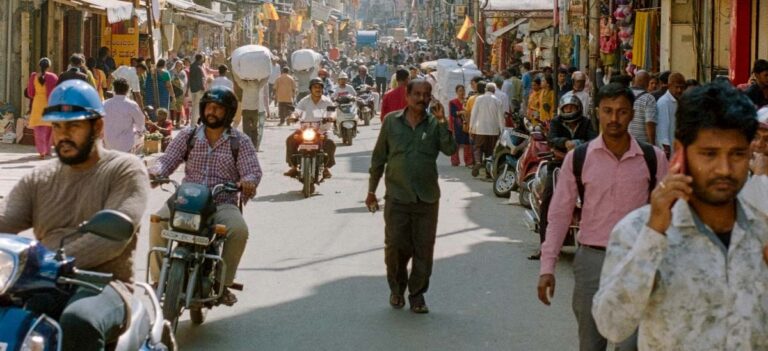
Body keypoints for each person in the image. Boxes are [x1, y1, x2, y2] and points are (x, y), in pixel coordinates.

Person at [592, 82, 768, 349]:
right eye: (709, 154)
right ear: (680, 152)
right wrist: (653, 237)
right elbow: (612, 325)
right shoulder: (639, 230)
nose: (724, 169)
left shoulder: (761, 231)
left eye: (737, 154)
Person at [0, 79, 148, 350]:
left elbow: (115, 235)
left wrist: (52, 261)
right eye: (57, 126)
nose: (63, 135)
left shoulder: (125, 169)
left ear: (98, 126)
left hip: (103, 284)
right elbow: (5, 217)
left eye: (74, 126)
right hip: (39, 282)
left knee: (80, 320)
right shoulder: (40, 177)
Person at [537, 83, 668, 351]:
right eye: (608, 111)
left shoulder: (652, 158)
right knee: (591, 343)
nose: (614, 118)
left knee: (631, 345)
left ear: (632, 114)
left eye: (621, 112)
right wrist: (547, 267)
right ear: (598, 113)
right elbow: (560, 215)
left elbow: (669, 215)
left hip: (637, 262)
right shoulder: (579, 158)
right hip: (592, 262)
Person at [148, 86, 262, 306]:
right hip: (186, 201)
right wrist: (156, 173)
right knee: (157, 220)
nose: (212, 112)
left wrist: (248, 181)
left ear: (228, 113)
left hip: (221, 203)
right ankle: (158, 279)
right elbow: (167, 159)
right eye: (209, 107)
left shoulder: (240, 141)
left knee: (239, 230)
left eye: (218, 108)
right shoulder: (188, 135)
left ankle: (223, 283)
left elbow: (252, 170)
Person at [366, 79, 457, 314]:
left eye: (426, 95)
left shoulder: (435, 124)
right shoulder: (391, 122)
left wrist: (442, 121)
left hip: (426, 199)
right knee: (395, 247)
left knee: (423, 250)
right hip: (397, 197)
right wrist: (371, 191)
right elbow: (378, 159)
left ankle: (417, 295)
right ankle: (397, 289)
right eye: (416, 94)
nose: (421, 99)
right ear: (407, 96)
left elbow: (450, 149)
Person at [527, 95, 597, 260]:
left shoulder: (586, 122)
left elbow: (593, 140)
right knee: (548, 200)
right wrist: (565, 142)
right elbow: (551, 139)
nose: (569, 111)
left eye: (572, 108)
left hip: (582, 166)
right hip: (558, 165)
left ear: (578, 108)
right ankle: (544, 247)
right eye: (566, 108)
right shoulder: (557, 122)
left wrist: (579, 143)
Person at [283, 78, 337, 179]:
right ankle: (294, 166)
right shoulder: (304, 101)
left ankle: (326, 168)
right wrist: (293, 117)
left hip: (321, 130)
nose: (318, 89)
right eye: (315, 87)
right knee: (290, 140)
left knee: (330, 143)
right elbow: (297, 112)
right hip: (305, 129)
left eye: (320, 87)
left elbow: (333, 112)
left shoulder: (327, 101)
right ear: (310, 89)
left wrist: (331, 118)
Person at [470, 81, 505, 178]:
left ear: (486, 89)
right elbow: (500, 118)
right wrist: (502, 131)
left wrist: (471, 127)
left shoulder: (479, 99)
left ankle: (477, 162)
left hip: (480, 129)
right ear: (494, 90)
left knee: (478, 147)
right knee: (490, 151)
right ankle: (488, 172)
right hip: (493, 130)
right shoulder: (497, 101)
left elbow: (474, 114)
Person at [26, 57, 58, 159]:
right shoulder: (53, 77)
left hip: (37, 104)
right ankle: (48, 149)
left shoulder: (33, 76)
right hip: (49, 104)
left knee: (39, 129)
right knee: (49, 128)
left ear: (39, 66)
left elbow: (30, 93)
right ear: (49, 66)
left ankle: (41, 151)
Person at [103, 78, 146, 153]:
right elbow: (141, 123)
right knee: (141, 138)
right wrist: (140, 132)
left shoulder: (104, 103)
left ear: (114, 89)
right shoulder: (131, 104)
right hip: (125, 145)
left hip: (107, 144)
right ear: (127, 90)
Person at [232, 70, 266, 151]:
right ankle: (254, 146)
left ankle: (246, 146)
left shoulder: (245, 85)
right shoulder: (258, 85)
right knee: (254, 129)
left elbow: (237, 80)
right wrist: (267, 72)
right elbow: (265, 80)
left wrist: (234, 71)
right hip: (255, 110)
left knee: (246, 129)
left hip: (246, 110)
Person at [656, 72, 686, 157]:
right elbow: (662, 128)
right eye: (676, 87)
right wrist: (666, 147)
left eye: (682, 87)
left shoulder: (680, 101)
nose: (679, 90)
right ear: (669, 86)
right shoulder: (664, 102)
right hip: (668, 150)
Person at [629, 70, 658, 144]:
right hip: (642, 145)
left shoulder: (625, 95)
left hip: (626, 143)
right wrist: (652, 145)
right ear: (648, 82)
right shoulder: (649, 98)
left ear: (635, 80)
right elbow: (650, 123)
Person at [449, 84, 473, 167]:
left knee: (467, 143)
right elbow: (453, 113)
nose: (462, 92)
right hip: (457, 125)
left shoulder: (468, 101)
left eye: (463, 91)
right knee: (456, 143)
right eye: (460, 91)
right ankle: (455, 161)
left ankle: (469, 161)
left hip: (466, 124)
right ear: (456, 92)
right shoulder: (453, 102)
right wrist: (461, 112)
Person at [188, 54, 207, 125]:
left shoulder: (192, 66)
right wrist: (202, 88)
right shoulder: (198, 67)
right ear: (201, 58)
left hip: (193, 89)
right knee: (197, 106)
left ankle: (193, 122)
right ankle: (194, 123)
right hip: (198, 90)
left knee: (194, 106)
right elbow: (199, 80)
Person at [170, 60, 188, 127]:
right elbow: (169, 81)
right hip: (173, 91)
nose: (178, 66)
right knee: (172, 106)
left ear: (182, 66)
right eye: (177, 65)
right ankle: (171, 122)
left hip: (180, 92)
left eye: (180, 65)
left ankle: (178, 122)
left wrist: (185, 91)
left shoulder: (183, 73)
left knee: (179, 107)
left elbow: (185, 82)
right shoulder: (171, 72)